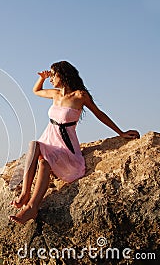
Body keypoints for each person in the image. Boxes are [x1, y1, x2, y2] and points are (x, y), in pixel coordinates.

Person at [8, 60, 140, 224]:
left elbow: (100, 114)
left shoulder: (80, 95)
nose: (51, 79)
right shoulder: (55, 94)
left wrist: (121, 132)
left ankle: (31, 208)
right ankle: (24, 195)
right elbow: (36, 91)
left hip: (66, 148)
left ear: (62, 75)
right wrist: (42, 78)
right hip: (49, 140)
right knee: (33, 144)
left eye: (53, 74)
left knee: (44, 164)